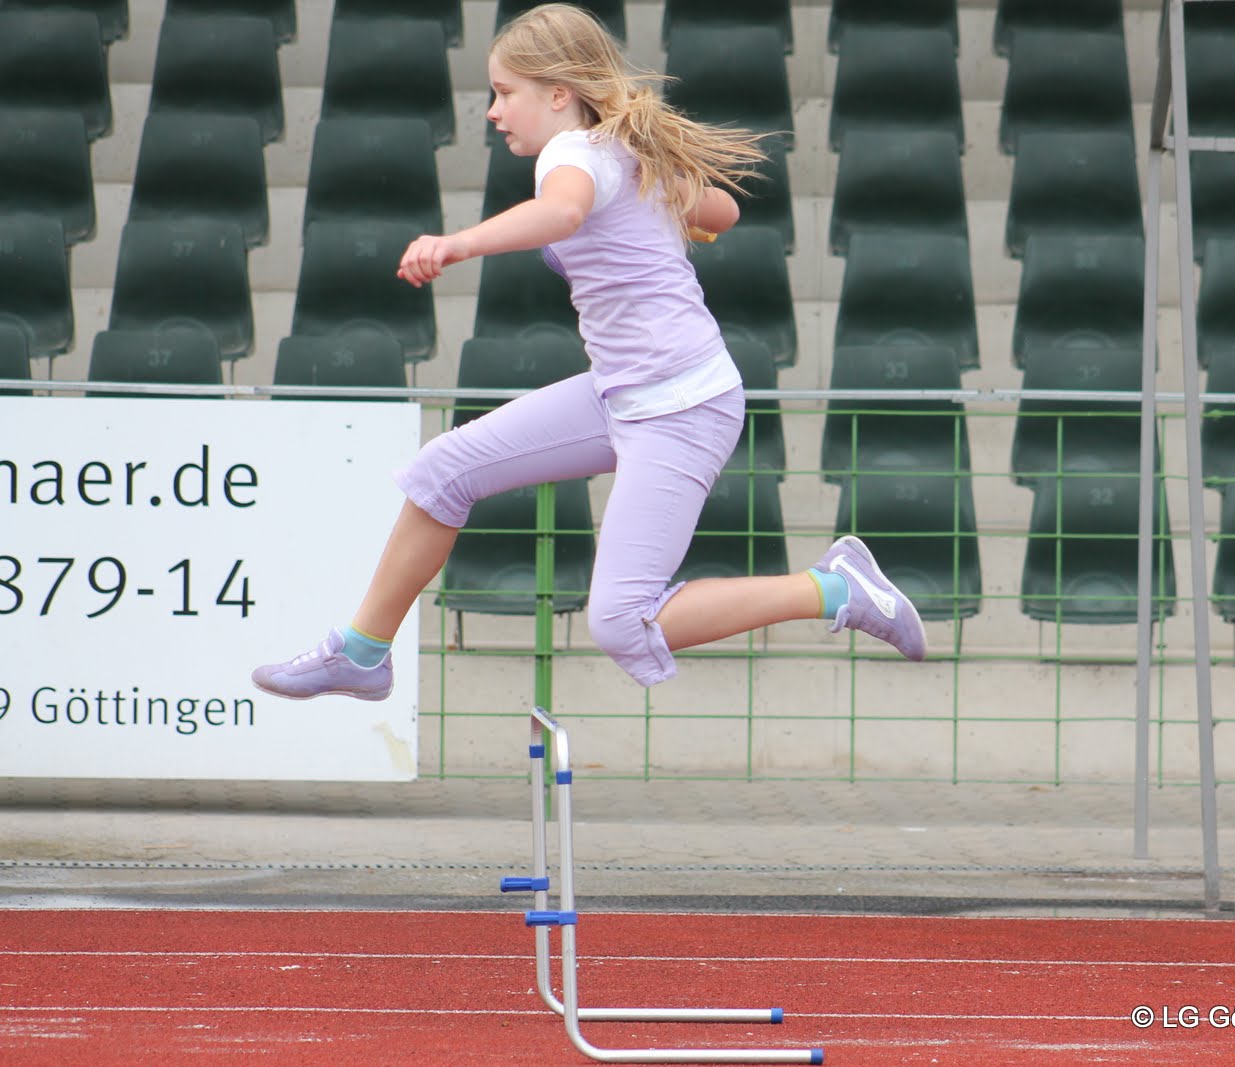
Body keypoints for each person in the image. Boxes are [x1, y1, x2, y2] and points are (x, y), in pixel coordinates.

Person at [252, 3, 926, 702]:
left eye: (504, 93)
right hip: (622, 392)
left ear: (558, 94)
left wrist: (458, 243)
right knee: (442, 471)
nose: (493, 112)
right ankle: (362, 652)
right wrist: (656, 190)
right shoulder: (617, 152)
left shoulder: (571, 154)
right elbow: (723, 212)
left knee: (620, 621)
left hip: (680, 406)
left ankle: (834, 588)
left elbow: (563, 213)